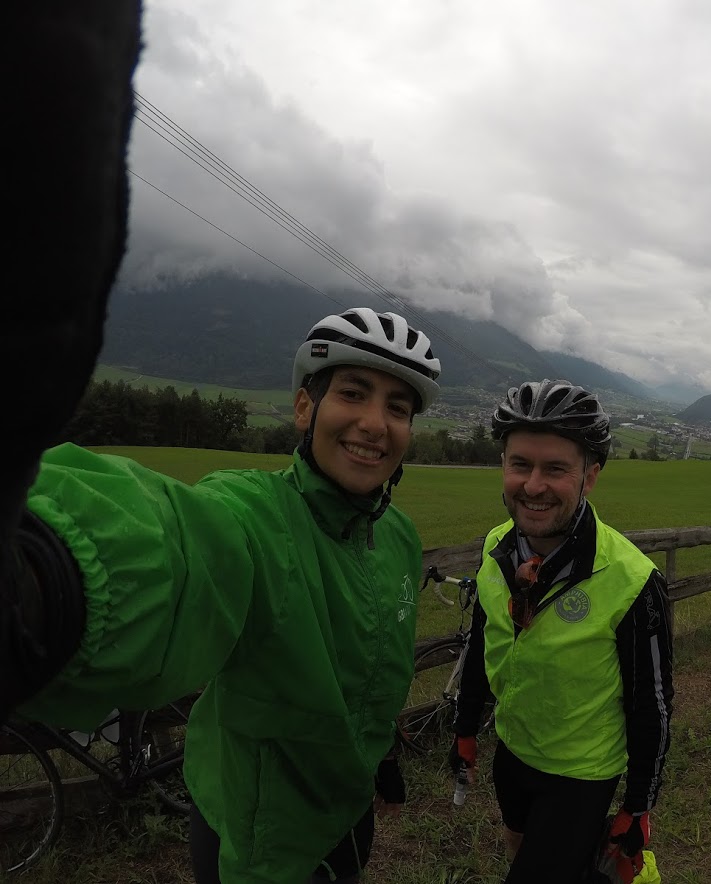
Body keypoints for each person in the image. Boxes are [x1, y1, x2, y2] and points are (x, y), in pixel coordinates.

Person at [1, 11, 441, 879]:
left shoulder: (396, 536)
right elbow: (182, 554)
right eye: (352, 394)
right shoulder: (252, 516)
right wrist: (42, 578)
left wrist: (383, 756)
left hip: (348, 811)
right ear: (303, 408)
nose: (374, 422)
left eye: (398, 406)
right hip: (255, 835)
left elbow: (377, 670)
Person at [449, 379, 675, 883]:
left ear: (589, 477)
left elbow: (652, 704)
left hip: (579, 775)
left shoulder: (632, 579)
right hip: (512, 751)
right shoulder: (497, 547)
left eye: (555, 469)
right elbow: (483, 641)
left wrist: (638, 805)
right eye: (520, 464)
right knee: (517, 845)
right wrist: (465, 729)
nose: (533, 486)